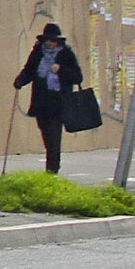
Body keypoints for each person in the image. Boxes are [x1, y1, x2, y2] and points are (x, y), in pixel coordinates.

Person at [15, 23, 87, 173]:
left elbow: (77, 77)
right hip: (41, 102)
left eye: (53, 40)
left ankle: (52, 170)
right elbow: (29, 71)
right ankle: (52, 167)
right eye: (47, 40)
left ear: (58, 41)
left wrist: (61, 69)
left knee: (54, 139)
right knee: (47, 136)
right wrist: (20, 81)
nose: (49, 43)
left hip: (59, 104)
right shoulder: (38, 53)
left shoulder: (66, 54)